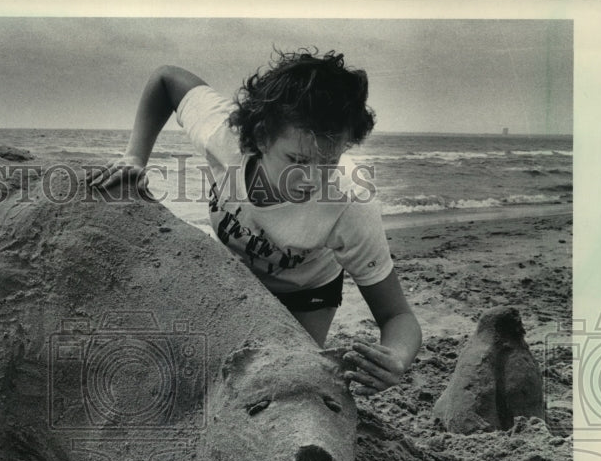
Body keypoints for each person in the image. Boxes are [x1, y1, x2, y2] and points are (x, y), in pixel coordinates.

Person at [88, 49, 421, 396]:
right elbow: (166, 78)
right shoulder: (225, 137)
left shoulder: (350, 203)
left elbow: (398, 316)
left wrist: (395, 358)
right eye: (297, 159)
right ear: (260, 138)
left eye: (328, 162)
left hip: (306, 293)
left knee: (284, 385)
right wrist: (134, 157)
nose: (310, 178)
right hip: (233, 273)